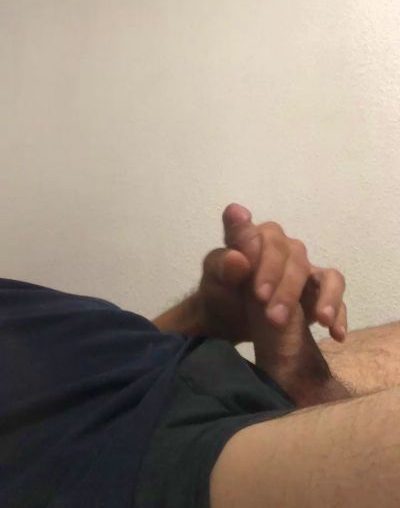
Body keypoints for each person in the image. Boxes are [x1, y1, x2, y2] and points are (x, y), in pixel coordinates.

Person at [0, 204, 399, 508]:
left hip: (168, 381)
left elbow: (72, 372)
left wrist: (203, 317)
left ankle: (303, 390)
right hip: (126, 459)